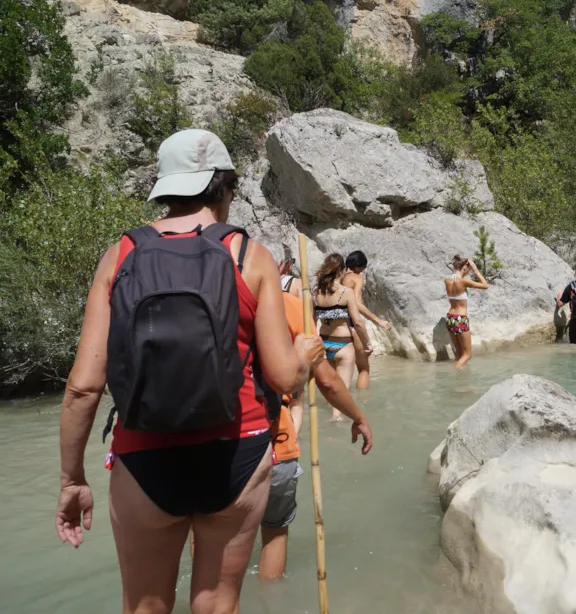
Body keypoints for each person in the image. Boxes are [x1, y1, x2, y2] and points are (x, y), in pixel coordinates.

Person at [54, 129, 373, 614]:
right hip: (238, 454)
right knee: (218, 602)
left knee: (144, 605)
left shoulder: (120, 256)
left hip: (144, 456)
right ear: (223, 188)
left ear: (163, 189)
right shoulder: (251, 256)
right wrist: (307, 356)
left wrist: (72, 478)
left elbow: (83, 388)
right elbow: (285, 379)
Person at [259, 287, 369, 581]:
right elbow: (329, 384)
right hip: (273, 442)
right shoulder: (288, 304)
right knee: (273, 533)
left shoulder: (201, 299)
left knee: (212, 538)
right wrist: (358, 417)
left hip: (211, 443)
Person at [313, 253, 372, 419]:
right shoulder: (346, 293)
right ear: (340, 271)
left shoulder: (315, 293)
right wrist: (367, 343)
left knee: (330, 388)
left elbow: (311, 322)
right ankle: (336, 420)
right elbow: (358, 322)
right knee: (342, 392)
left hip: (324, 343)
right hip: (343, 345)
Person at [341, 250, 392, 390]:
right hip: (352, 325)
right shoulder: (356, 278)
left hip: (335, 329)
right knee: (363, 369)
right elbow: (356, 303)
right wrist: (378, 321)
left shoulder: (338, 277)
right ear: (359, 266)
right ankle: (363, 404)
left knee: (339, 372)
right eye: (363, 268)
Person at [444, 255, 489, 369]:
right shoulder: (464, 282)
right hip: (460, 318)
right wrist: (476, 270)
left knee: (459, 354)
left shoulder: (447, 281)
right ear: (464, 268)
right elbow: (485, 285)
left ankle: (459, 382)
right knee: (467, 355)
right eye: (467, 269)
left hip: (450, 318)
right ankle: (456, 372)